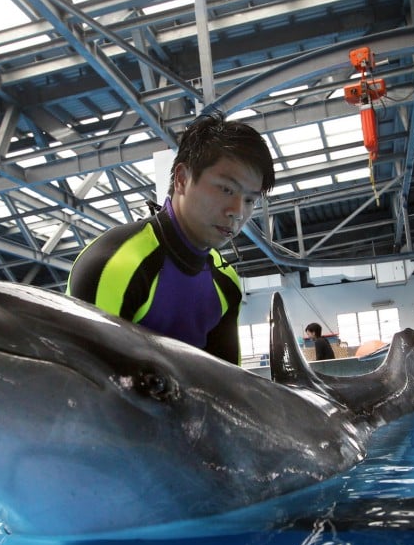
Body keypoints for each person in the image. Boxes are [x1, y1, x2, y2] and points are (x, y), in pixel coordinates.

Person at [67, 112, 276, 365]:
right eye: (226, 189)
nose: (238, 211)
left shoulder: (226, 283)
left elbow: (228, 388)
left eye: (250, 200)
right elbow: (86, 384)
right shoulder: (115, 263)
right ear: (182, 179)